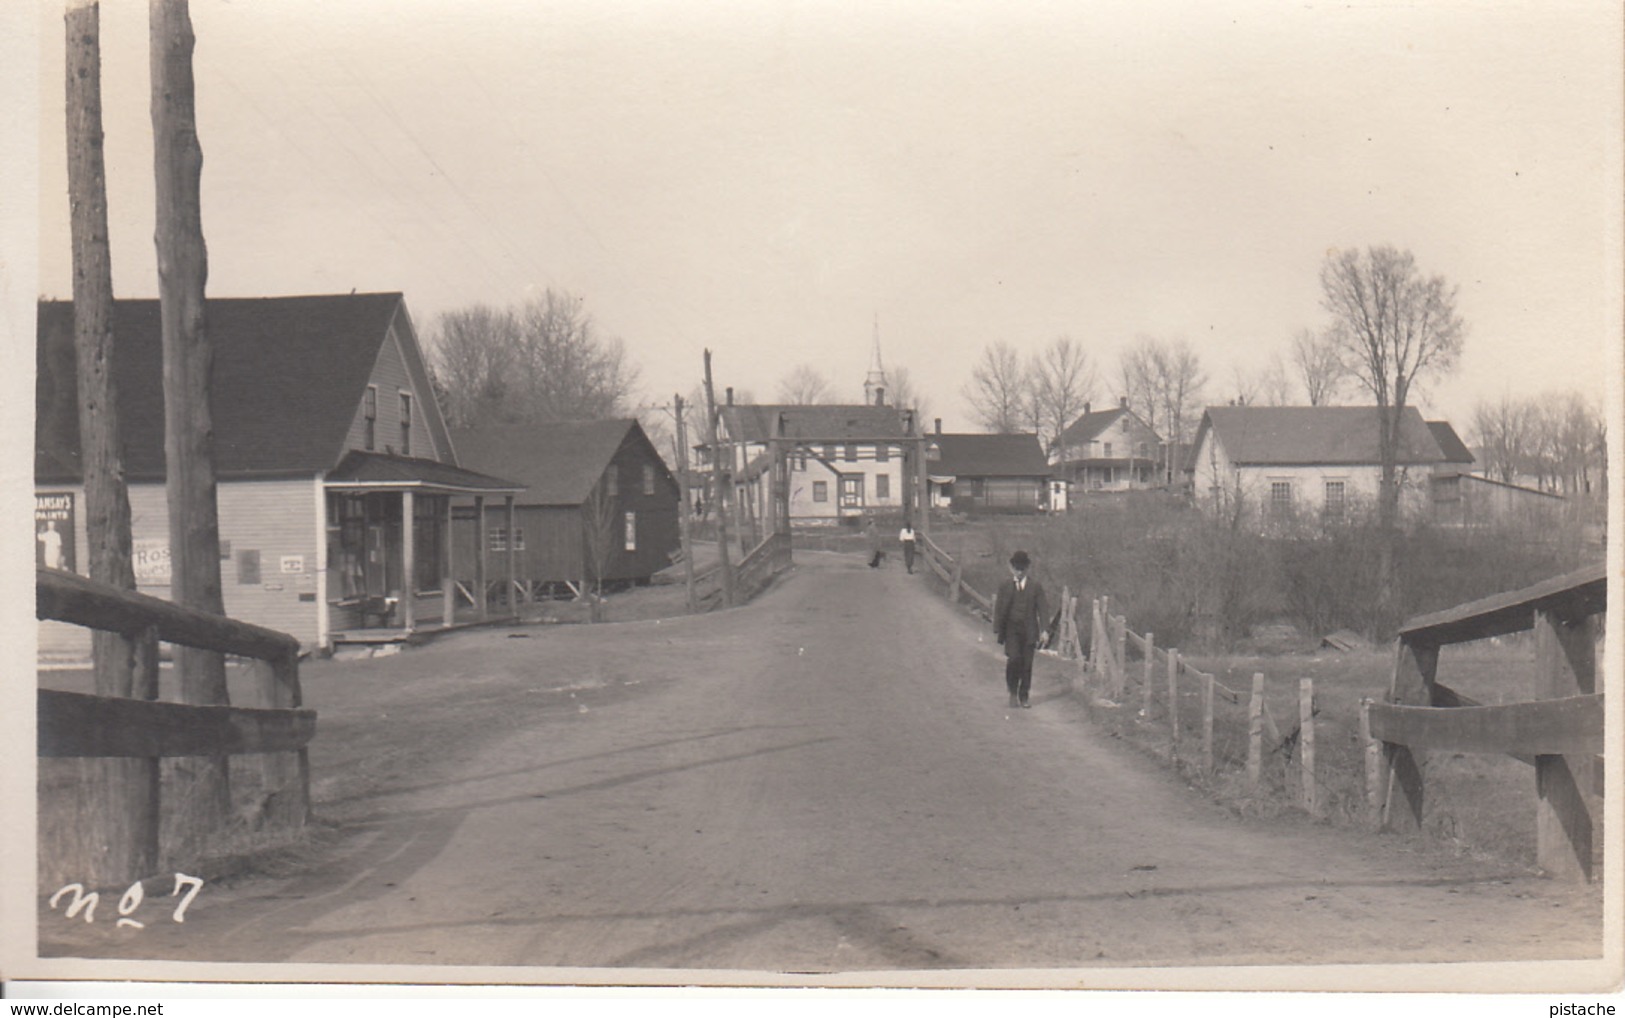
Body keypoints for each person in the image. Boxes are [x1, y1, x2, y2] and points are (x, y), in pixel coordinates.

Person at [992, 549, 1050, 709]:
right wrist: (997, 627)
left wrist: (1045, 630)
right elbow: (999, 608)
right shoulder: (1005, 586)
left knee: (1027, 665)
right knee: (1014, 659)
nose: (1019, 572)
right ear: (1011, 568)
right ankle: (1012, 692)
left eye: (1022, 569)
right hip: (1011, 630)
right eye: (1016, 568)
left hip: (1029, 631)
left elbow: (1043, 608)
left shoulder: (1035, 587)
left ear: (1027, 568)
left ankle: (1024, 695)